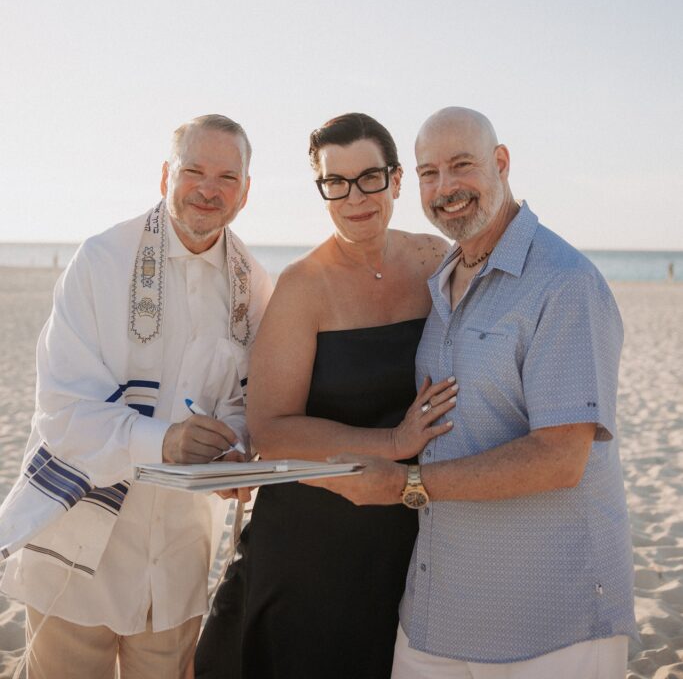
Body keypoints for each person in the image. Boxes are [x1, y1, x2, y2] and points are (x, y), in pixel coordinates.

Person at [311, 107, 637, 679]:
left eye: (462, 166)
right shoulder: (444, 275)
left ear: (501, 163)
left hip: (550, 619)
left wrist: (406, 484)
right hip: (439, 611)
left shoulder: (565, 283)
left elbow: (561, 457)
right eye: (429, 173)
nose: (446, 188)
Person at [0, 114, 273, 679]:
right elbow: (62, 413)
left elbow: (245, 402)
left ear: (246, 191)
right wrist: (165, 441)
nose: (208, 189)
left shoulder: (254, 283)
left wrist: (235, 451)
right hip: (79, 547)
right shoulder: (102, 261)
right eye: (194, 171)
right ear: (166, 176)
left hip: (176, 561)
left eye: (227, 177)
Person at [196, 112, 455, 679]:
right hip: (311, 538)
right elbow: (271, 430)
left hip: (406, 528)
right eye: (336, 182)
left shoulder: (434, 259)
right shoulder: (302, 285)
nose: (355, 197)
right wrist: (393, 441)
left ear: (396, 180)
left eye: (369, 178)